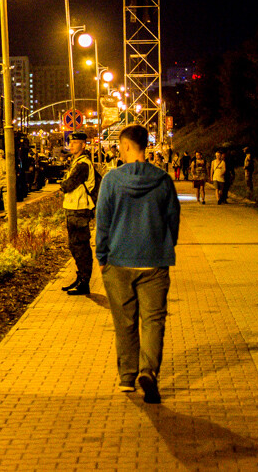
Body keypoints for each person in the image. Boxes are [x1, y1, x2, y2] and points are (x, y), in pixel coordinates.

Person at [96, 124, 180, 403]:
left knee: (125, 322)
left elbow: (103, 222)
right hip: (154, 261)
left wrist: (101, 257)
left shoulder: (111, 180)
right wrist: (164, 245)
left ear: (128, 146)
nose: (119, 151)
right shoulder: (163, 180)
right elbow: (173, 221)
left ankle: (127, 378)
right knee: (153, 321)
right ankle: (149, 372)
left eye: (120, 146)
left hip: (119, 261)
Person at [59, 131, 96, 295]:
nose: (71, 145)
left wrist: (62, 184)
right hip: (73, 209)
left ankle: (84, 282)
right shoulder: (77, 162)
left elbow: (69, 184)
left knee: (80, 246)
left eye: (75, 143)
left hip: (80, 210)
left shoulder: (82, 164)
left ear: (83, 145)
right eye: (70, 143)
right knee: (75, 246)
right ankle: (80, 277)